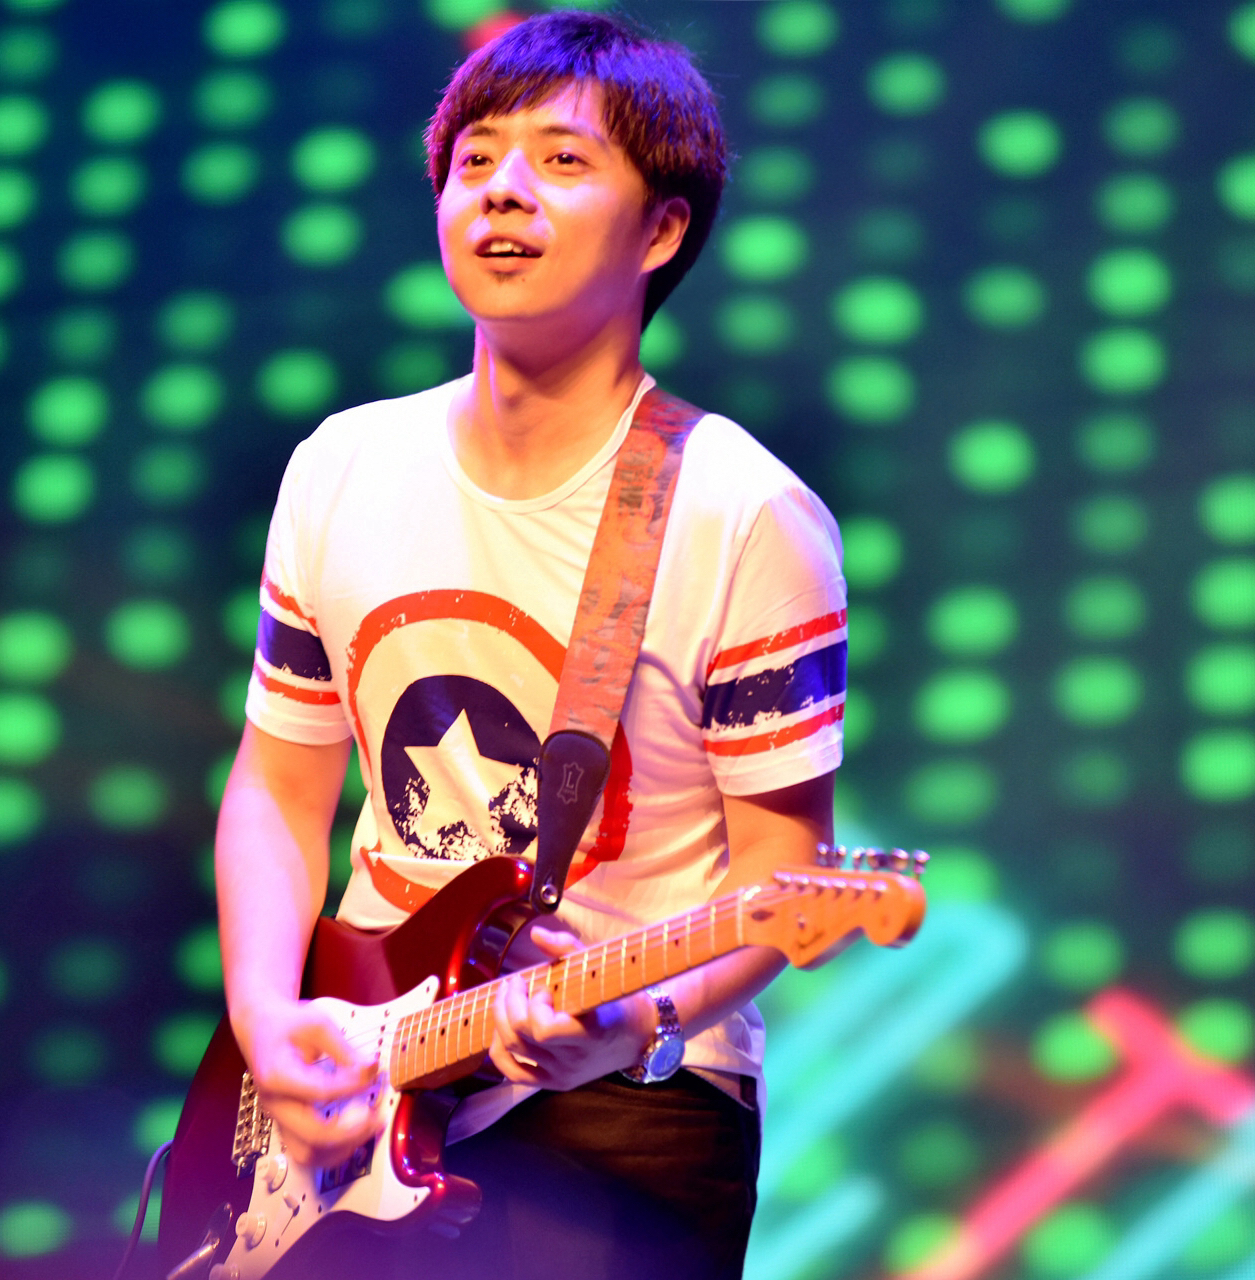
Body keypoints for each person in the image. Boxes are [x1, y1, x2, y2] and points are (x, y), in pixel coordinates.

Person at [214, 11, 848, 1277]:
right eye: (476, 158)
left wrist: (636, 1017)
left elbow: (789, 886)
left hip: (628, 1102)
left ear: (659, 230)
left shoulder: (742, 513)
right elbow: (277, 785)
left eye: (561, 161)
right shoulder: (341, 466)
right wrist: (266, 1021)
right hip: (360, 1069)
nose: (502, 189)